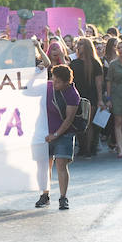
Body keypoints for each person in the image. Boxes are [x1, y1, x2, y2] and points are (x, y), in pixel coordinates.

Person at [36, 65, 79, 210]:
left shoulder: (73, 95)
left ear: (67, 82)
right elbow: (27, 89)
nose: (53, 83)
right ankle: (44, 194)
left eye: (57, 82)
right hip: (45, 132)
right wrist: (37, 71)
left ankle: (63, 197)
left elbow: (68, 120)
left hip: (63, 134)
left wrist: (55, 135)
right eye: (52, 79)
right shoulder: (47, 87)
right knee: (45, 165)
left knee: (61, 164)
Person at [70, 37, 103, 157]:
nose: (79, 46)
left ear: (88, 46)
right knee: (79, 124)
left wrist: (100, 100)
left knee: (88, 124)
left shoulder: (95, 63)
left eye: (81, 44)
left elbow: (99, 83)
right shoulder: (73, 63)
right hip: (77, 97)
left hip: (91, 96)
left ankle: (89, 149)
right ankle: (82, 148)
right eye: (78, 44)